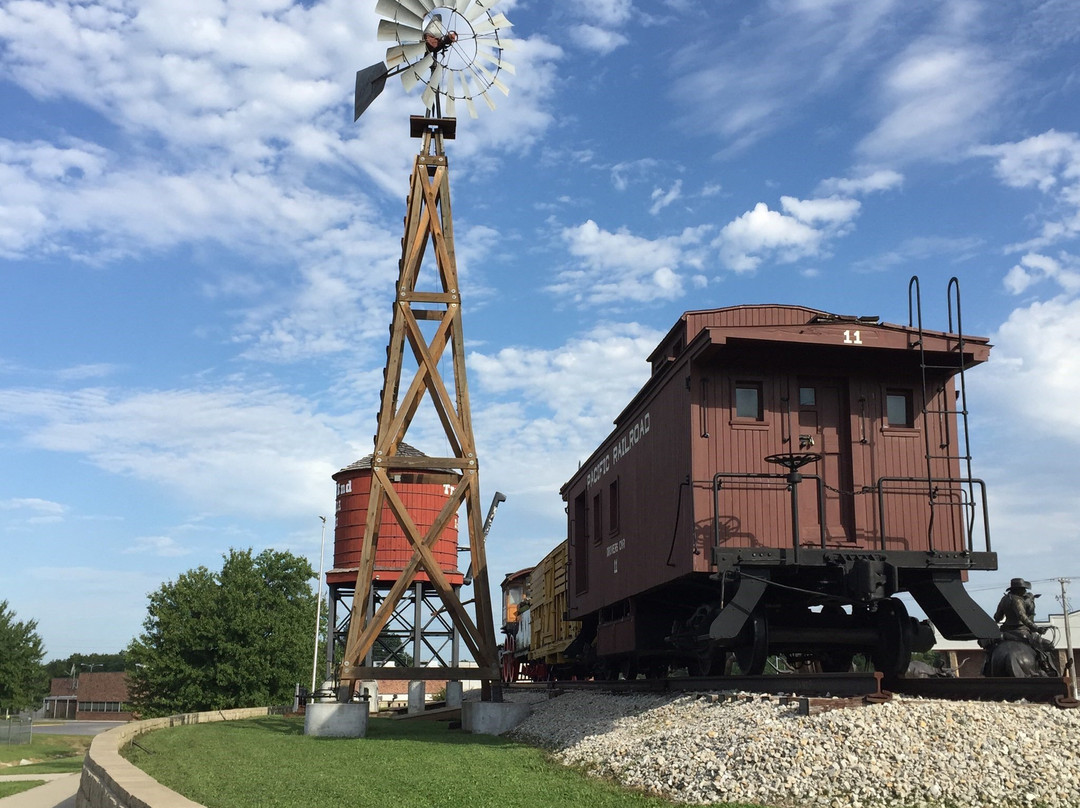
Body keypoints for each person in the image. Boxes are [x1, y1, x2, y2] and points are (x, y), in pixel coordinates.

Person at [993, 578, 1056, 672]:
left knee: (991, 648)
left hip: (1005, 631)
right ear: (1017, 589)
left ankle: (987, 664)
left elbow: (997, 617)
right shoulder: (1017, 600)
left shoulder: (1004, 599)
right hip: (1021, 632)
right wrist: (1037, 629)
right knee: (1047, 645)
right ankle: (1045, 665)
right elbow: (1023, 617)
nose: (1025, 591)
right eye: (1023, 588)